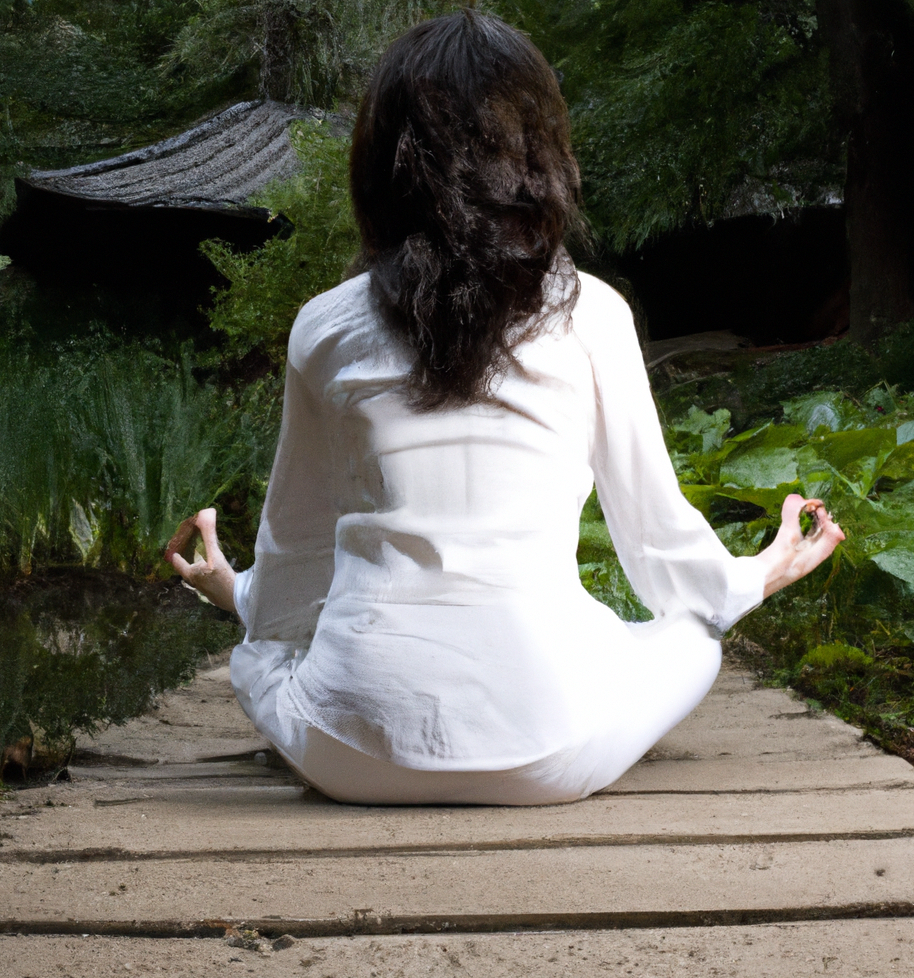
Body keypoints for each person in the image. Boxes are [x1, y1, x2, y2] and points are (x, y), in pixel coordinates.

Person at [169, 11, 844, 805]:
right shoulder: (592, 314)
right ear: (539, 161)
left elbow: (293, 576)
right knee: (693, 638)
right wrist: (762, 571)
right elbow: (664, 558)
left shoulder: (325, 327)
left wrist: (232, 590)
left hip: (351, 754)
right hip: (548, 756)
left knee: (262, 659)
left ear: (383, 170)